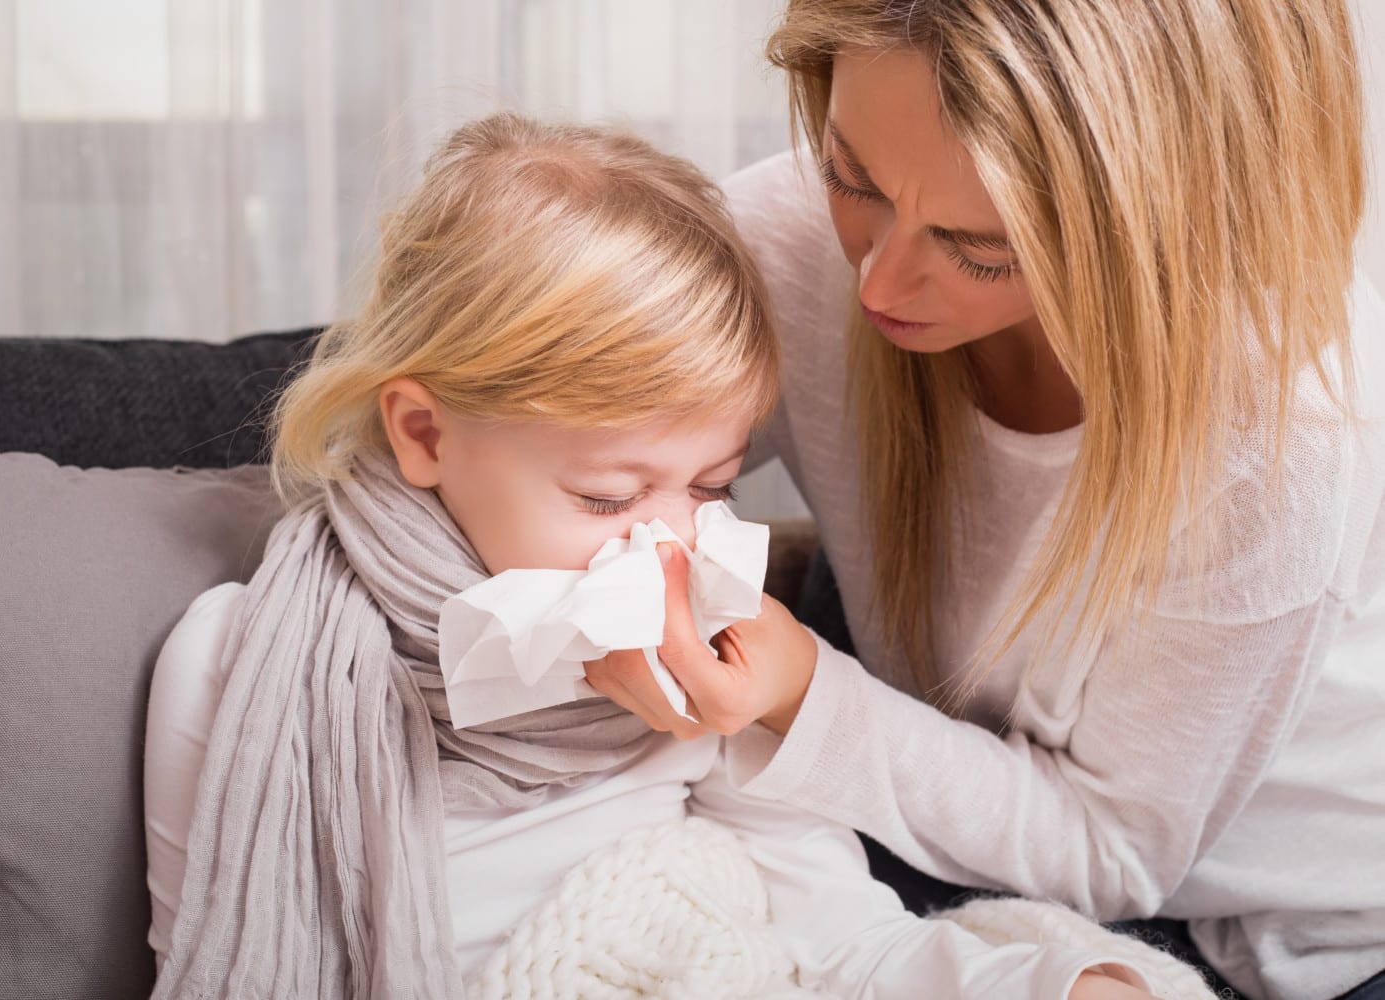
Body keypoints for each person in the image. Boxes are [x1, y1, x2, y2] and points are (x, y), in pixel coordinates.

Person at [140, 113, 1196, 999]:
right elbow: (217, 951)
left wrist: (1048, 986)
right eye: (605, 495)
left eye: (709, 485)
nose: (668, 540)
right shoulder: (243, 664)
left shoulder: (705, 648)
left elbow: (836, 945)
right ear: (423, 433)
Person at [584, 4, 1385, 1000]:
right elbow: (526, 433)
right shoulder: (786, 241)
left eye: (980, 246)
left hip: (1291, 938)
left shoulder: (1288, 430)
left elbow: (1113, 851)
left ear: (1153, 219)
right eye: (852, 178)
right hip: (957, 780)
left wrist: (799, 694)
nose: (879, 277)